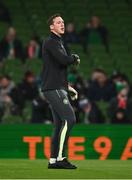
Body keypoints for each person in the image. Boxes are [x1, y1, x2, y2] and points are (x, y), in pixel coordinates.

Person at [41, 14, 80, 169]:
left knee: (58, 125)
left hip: (56, 87)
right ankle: (61, 158)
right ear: (52, 27)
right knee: (70, 119)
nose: (62, 24)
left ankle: (53, 160)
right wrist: (74, 57)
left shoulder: (57, 42)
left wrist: (68, 88)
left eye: (63, 22)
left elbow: (57, 69)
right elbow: (63, 60)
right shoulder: (50, 41)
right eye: (58, 22)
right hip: (53, 88)